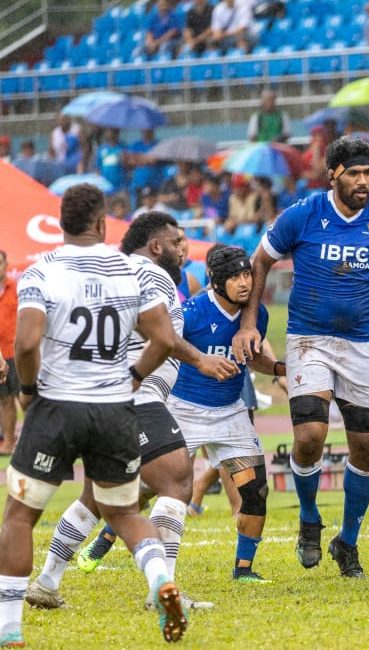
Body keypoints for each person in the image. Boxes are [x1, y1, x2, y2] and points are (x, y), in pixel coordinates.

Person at [231, 137, 369, 579]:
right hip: (309, 339)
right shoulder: (302, 215)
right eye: (355, 175)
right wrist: (250, 326)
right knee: (310, 434)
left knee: (366, 447)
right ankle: (309, 516)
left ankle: (348, 541)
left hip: (363, 345)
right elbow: (259, 262)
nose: (364, 182)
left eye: (368, 174)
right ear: (333, 175)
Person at [0, 184, 186, 645]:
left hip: (58, 406)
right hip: (115, 409)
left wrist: (27, 389)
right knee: (122, 512)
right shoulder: (128, 270)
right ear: (103, 225)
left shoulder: (42, 269)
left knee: (20, 516)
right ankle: (160, 580)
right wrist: (135, 377)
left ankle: (9, 631)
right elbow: (163, 338)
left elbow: (25, 344)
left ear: (60, 223)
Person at [25, 213, 237, 610]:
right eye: (176, 242)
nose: (182, 249)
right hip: (135, 396)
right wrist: (201, 361)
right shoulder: (150, 272)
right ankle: (163, 591)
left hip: (100, 397)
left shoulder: (116, 271)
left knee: (97, 495)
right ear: (156, 246)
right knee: (176, 479)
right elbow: (164, 337)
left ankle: (47, 582)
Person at [169, 245, 285, 583]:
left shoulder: (256, 315)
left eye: (247, 273)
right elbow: (166, 345)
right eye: (234, 276)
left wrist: (279, 368)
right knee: (152, 489)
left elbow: (252, 355)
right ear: (216, 281)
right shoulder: (190, 312)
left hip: (231, 413)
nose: (244, 282)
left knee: (256, 490)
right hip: (183, 411)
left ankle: (244, 569)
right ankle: (102, 542)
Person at [0, 251, 17, 456]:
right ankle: (8, 441)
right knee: (4, 399)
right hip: (0, 353)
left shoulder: (17, 288)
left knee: (25, 398)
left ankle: (15, 440)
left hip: (16, 351)